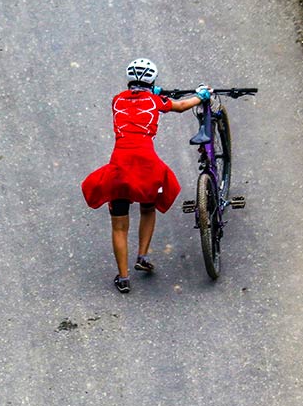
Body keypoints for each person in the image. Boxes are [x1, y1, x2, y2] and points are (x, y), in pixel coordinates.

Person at [82, 58, 210, 293]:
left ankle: (123, 278)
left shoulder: (117, 100)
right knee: (148, 208)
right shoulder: (155, 101)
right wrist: (201, 96)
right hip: (146, 166)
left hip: (119, 166)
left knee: (119, 225)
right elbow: (180, 106)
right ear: (153, 81)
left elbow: (135, 100)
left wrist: (152, 92)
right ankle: (142, 255)